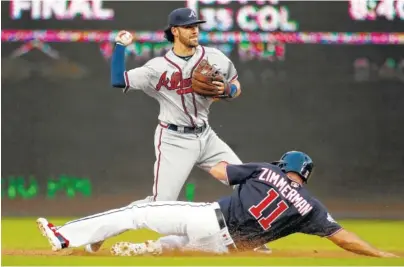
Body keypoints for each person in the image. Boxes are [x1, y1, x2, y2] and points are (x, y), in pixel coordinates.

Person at [86, 6, 271, 254]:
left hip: (206, 137)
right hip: (174, 139)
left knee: (246, 185)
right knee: (159, 205)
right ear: (175, 31)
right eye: (189, 27)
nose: (195, 31)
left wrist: (229, 90)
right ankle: (101, 232)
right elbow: (119, 80)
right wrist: (120, 47)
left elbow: (236, 84)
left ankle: (252, 239)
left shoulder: (215, 57)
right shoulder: (157, 67)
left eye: (196, 26)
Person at [36, 151, 399, 258]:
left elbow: (219, 170)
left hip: (211, 220)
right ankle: (134, 250)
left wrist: (211, 156)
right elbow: (342, 237)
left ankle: (64, 236)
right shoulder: (310, 207)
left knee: (139, 211)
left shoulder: (263, 170)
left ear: (283, 166)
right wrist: (380, 255)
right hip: (224, 250)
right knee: (175, 247)